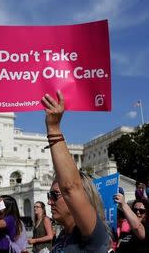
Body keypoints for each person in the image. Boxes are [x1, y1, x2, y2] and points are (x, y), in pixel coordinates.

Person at [41, 91, 110, 253]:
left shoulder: (93, 235)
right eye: (49, 196)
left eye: (54, 196)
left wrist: (53, 128)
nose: (49, 202)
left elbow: (71, 187)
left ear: (82, 197)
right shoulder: (64, 235)